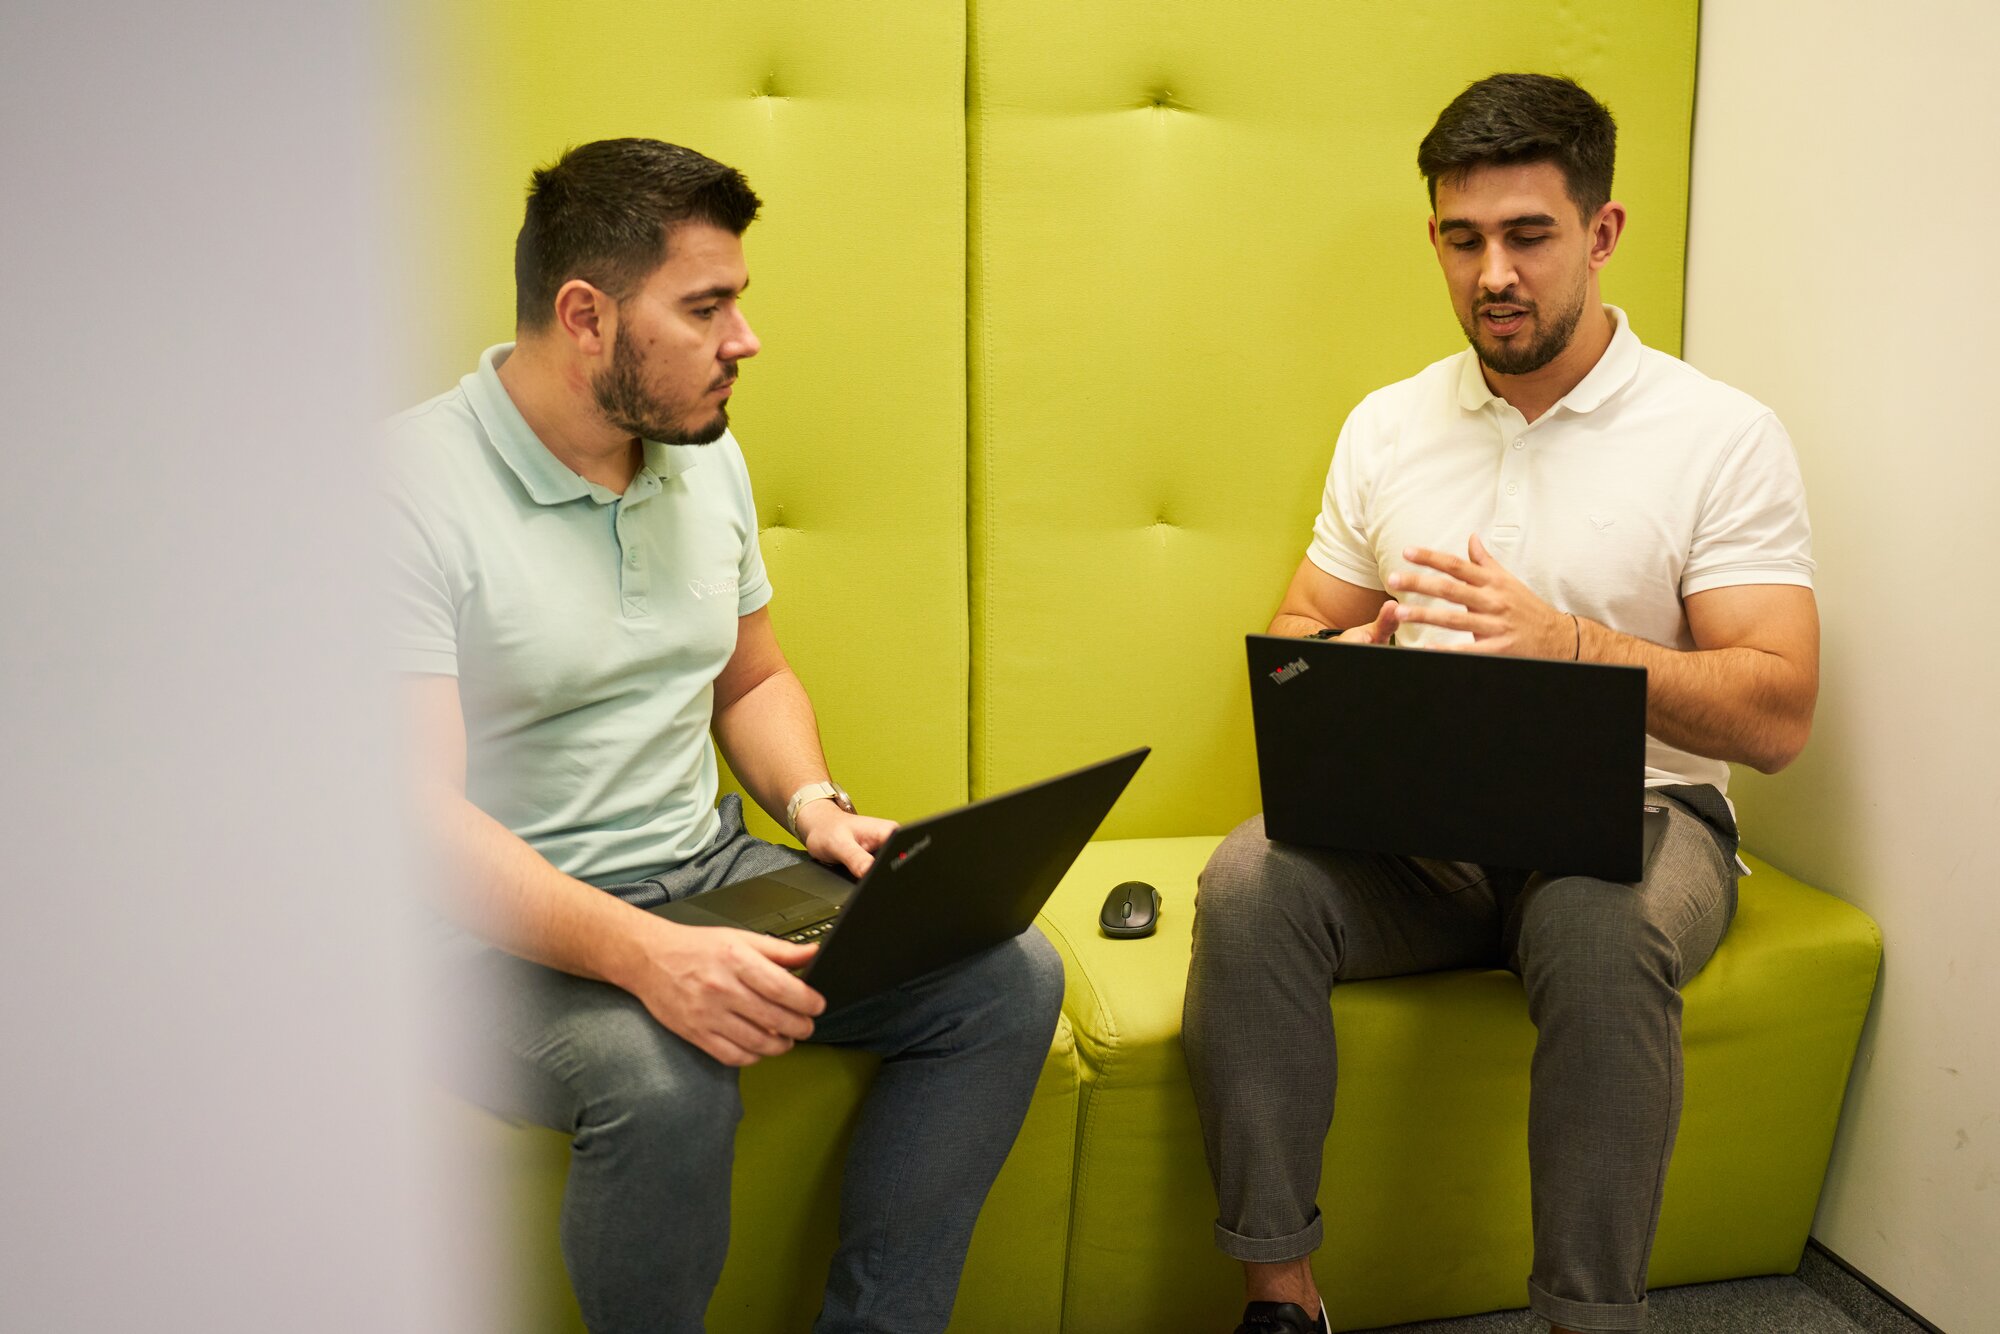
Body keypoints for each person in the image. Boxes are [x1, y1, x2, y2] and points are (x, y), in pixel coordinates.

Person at [384, 138, 1064, 1334]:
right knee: (661, 1079)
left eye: (735, 301)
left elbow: (751, 677)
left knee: (1004, 976)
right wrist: (647, 955)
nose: (742, 340)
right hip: (480, 940)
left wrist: (814, 806)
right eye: (705, 308)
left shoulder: (704, 450)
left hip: (703, 871)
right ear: (585, 316)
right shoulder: (401, 490)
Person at [1183, 74, 1818, 1334]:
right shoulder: (1388, 424)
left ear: (1600, 231)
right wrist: (1350, 650)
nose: (1493, 275)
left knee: (1595, 925)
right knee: (1248, 882)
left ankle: (1584, 1318)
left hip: (1638, 818)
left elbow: (1776, 712)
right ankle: (1280, 1294)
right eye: (1462, 239)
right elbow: (1295, 631)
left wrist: (1568, 643)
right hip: (1422, 835)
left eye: (1527, 235)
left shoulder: (1718, 434)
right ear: (1433, 236)